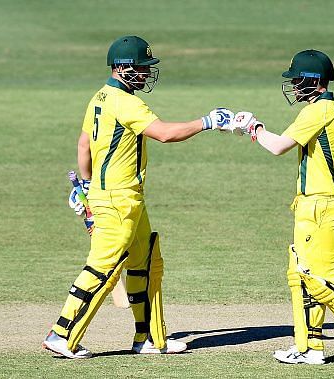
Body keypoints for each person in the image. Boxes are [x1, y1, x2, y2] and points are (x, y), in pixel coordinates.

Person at [42, 35, 234, 359]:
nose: (146, 74)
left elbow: (83, 144)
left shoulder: (99, 97)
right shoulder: (126, 102)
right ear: (122, 67)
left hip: (126, 199)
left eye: (147, 68)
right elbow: (164, 134)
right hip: (117, 201)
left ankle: (149, 339)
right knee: (103, 267)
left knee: (147, 262)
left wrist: (85, 186)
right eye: (141, 68)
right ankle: (62, 334)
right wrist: (208, 121)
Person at [233, 49, 334, 365]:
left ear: (315, 81)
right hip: (318, 205)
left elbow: (279, 146)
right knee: (300, 276)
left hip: (319, 208)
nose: (294, 87)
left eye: (297, 80)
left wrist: (254, 128)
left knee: (324, 279)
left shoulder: (317, 112)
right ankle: (310, 347)